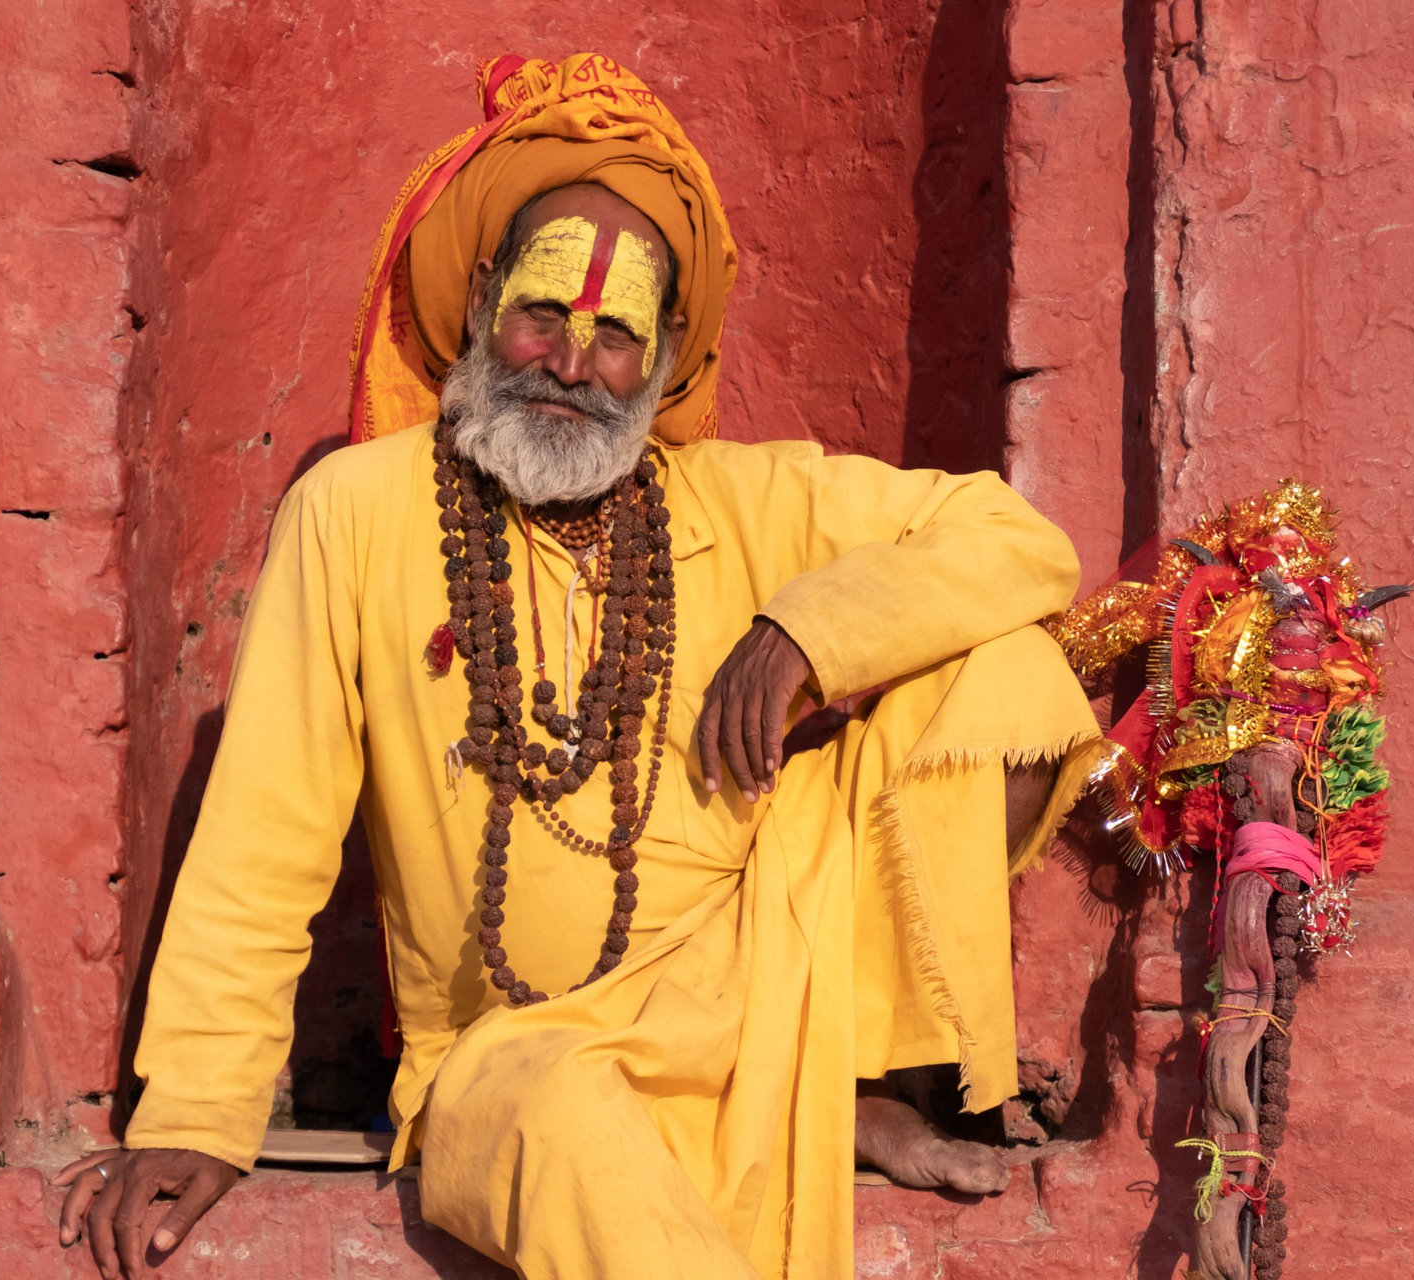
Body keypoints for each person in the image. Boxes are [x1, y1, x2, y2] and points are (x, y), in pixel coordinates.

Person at [54, 53, 1101, 1280]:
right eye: (545, 313)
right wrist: (192, 1109)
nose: (571, 362)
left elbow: (1022, 541)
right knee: (561, 1108)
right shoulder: (358, 512)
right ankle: (809, 1109)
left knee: (1017, 680)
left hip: (760, 982)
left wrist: (810, 631)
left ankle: (837, 1072)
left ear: (661, 362)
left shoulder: (741, 499)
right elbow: (265, 829)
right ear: (484, 297)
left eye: (617, 335)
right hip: (513, 1050)